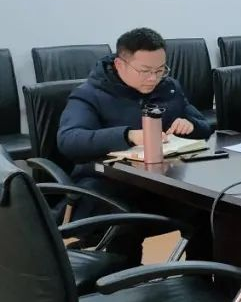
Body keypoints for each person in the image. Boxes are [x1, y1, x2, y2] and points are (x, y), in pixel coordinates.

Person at [57, 27, 215, 262]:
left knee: (208, 209)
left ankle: (201, 279)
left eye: (160, 70)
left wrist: (191, 125)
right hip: (106, 186)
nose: (153, 78)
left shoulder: (168, 88)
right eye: (145, 71)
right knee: (128, 220)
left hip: (160, 184)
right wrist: (128, 135)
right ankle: (123, 282)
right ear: (120, 64)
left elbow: (204, 126)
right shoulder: (90, 94)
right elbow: (69, 140)